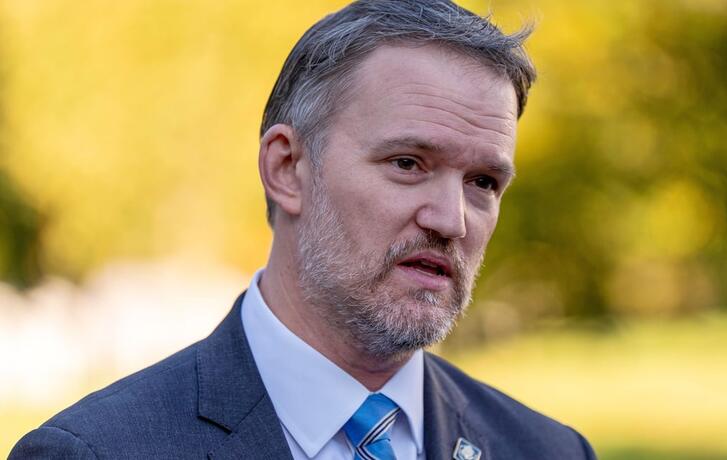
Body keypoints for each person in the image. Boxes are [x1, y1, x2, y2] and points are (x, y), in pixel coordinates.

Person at [11, 1, 596, 459]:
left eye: (484, 182)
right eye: (408, 163)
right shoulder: (97, 451)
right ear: (287, 168)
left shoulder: (549, 451)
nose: (451, 219)